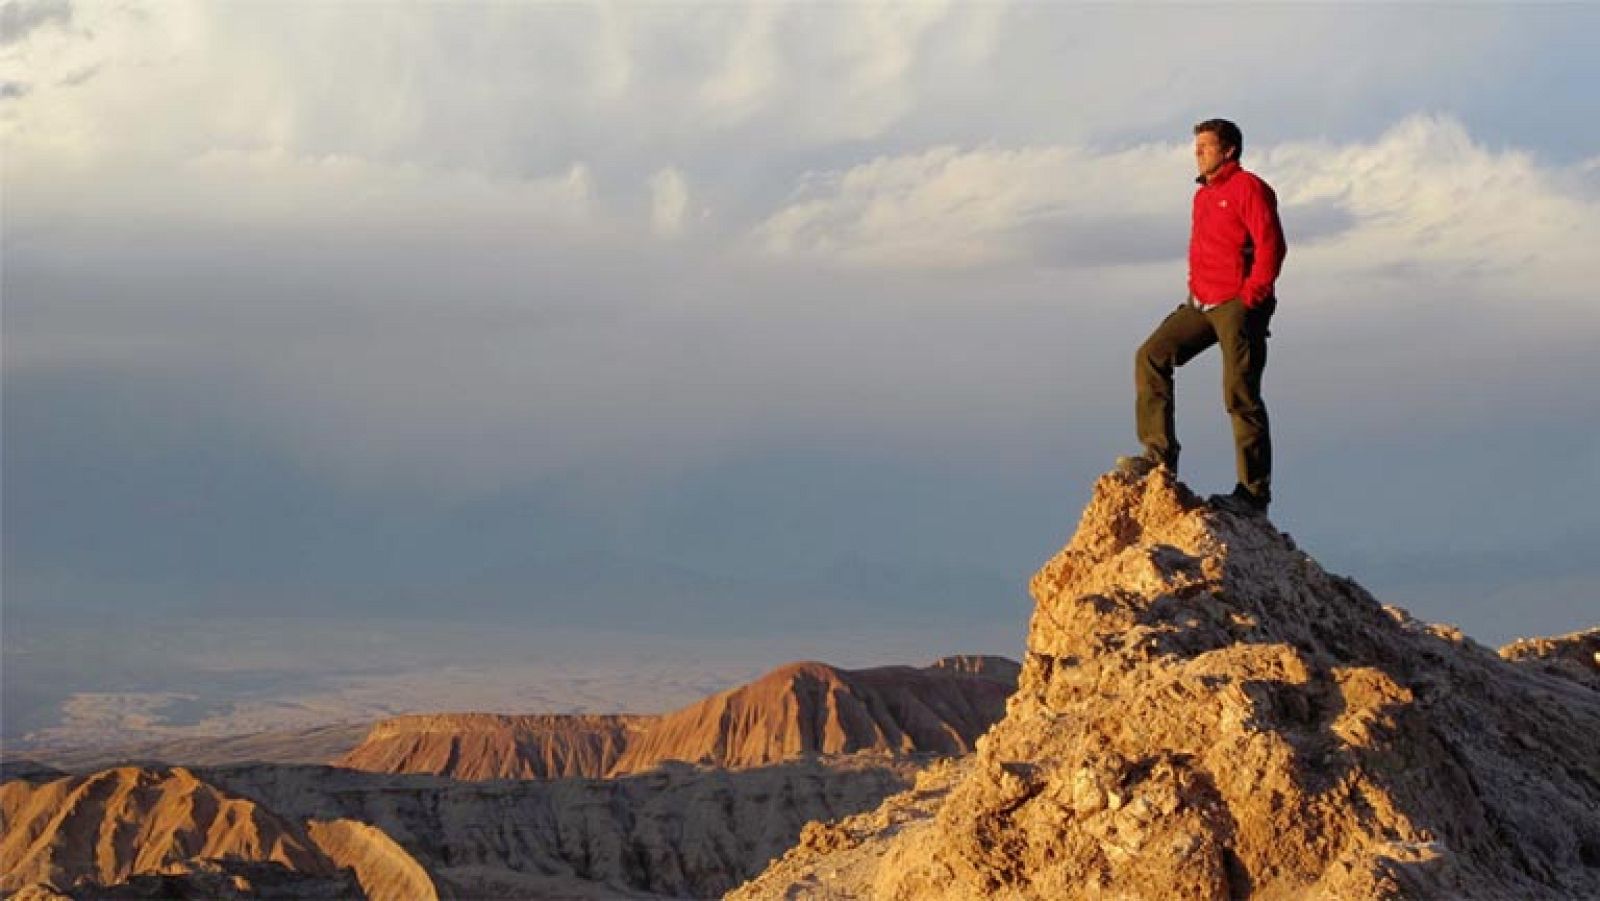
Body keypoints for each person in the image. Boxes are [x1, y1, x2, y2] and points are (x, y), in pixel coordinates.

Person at [1120, 118, 1287, 513]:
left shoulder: (1249, 188)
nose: (1197, 155)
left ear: (1228, 150)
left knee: (1240, 395)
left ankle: (1253, 494)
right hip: (1202, 303)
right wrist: (1195, 289)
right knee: (1151, 356)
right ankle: (1159, 455)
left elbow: (1271, 247)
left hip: (1238, 305)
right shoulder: (1203, 197)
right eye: (1196, 149)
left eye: (1205, 148)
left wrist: (1251, 298)